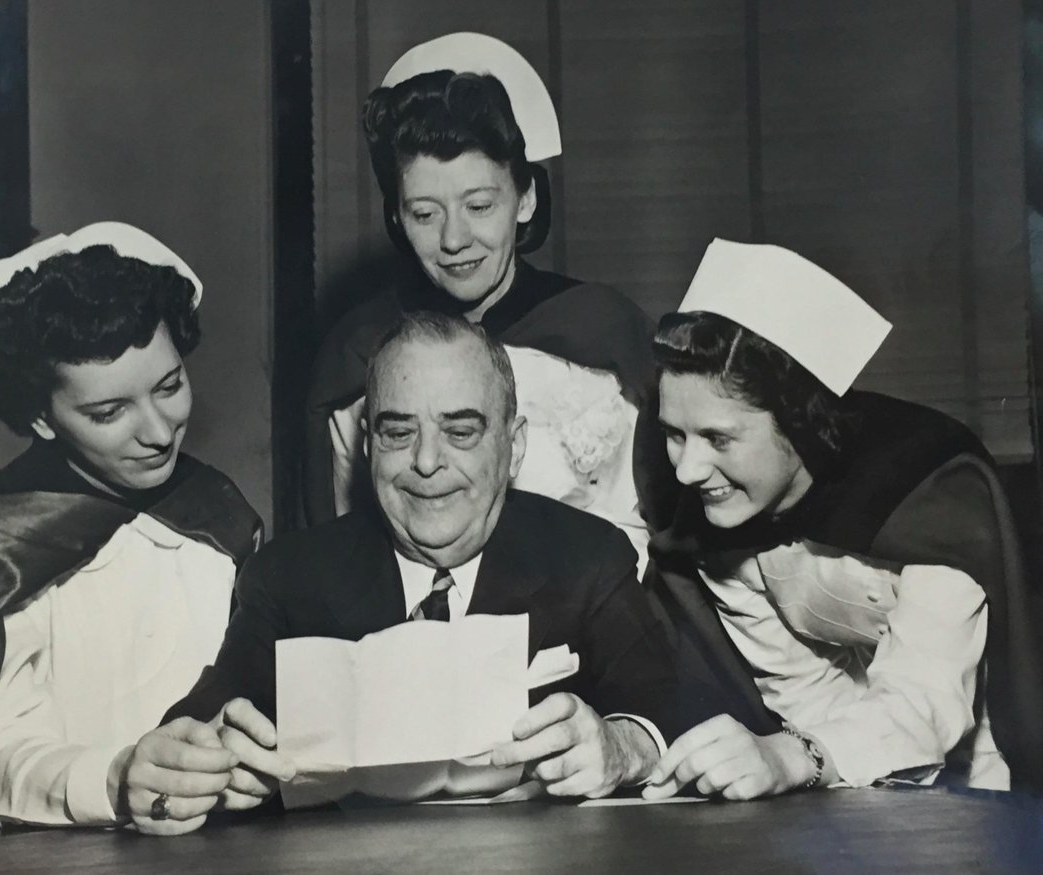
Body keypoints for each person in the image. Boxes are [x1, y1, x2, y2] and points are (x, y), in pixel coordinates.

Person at [123, 312, 696, 836]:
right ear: (368, 446)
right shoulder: (287, 577)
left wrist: (622, 746)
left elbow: (665, 710)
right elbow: (204, 724)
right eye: (399, 432)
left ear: (514, 447)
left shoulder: (587, 557)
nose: (425, 462)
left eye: (461, 431)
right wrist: (193, 765)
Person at [0, 224, 262, 855]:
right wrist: (114, 778)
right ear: (42, 418)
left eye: (170, 386)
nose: (158, 432)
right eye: (108, 412)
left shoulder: (220, 510)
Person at [641, 238, 1043, 801]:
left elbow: (923, 699)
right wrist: (813, 758)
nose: (687, 470)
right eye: (674, 435)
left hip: (992, 768)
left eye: (718, 438)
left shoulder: (934, 497)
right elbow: (802, 693)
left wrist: (799, 757)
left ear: (798, 419)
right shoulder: (721, 521)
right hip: (855, 765)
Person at [305, 33, 673, 575]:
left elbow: (654, 540)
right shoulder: (359, 351)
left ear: (525, 199)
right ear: (397, 218)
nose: (454, 240)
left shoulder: (604, 331)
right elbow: (338, 551)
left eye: (478, 206)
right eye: (425, 214)